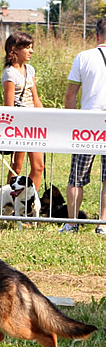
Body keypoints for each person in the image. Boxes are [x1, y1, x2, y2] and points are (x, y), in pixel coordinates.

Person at [59, 18, 106, 234]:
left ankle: (72, 223)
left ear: (96, 36)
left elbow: (71, 95)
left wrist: (71, 122)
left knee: (76, 178)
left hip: (87, 125)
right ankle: (103, 224)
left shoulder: (83, 57)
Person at [2, 31, 45, 190]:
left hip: (34, 122)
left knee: (39, 166)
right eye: (27, 47)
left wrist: (44, 117)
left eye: (31, 47)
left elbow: (35, 97)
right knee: (16, 167)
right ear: (14, 49)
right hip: (19, 124)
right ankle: (10, 200)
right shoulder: (9, 73)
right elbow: (9, 105)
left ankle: (31, 202)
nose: (31, 51)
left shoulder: (30, 70)